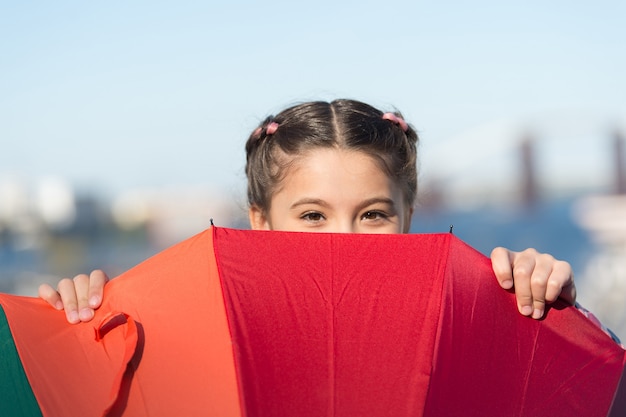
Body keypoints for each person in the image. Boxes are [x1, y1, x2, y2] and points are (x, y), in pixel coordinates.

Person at [38, 98, 577, 326]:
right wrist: (75, 331)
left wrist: (541, 306)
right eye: (313, 215)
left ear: (408, 215)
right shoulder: (203, 328)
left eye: (372, 214)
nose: (343, 237)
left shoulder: (460, 322)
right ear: (260, 221)